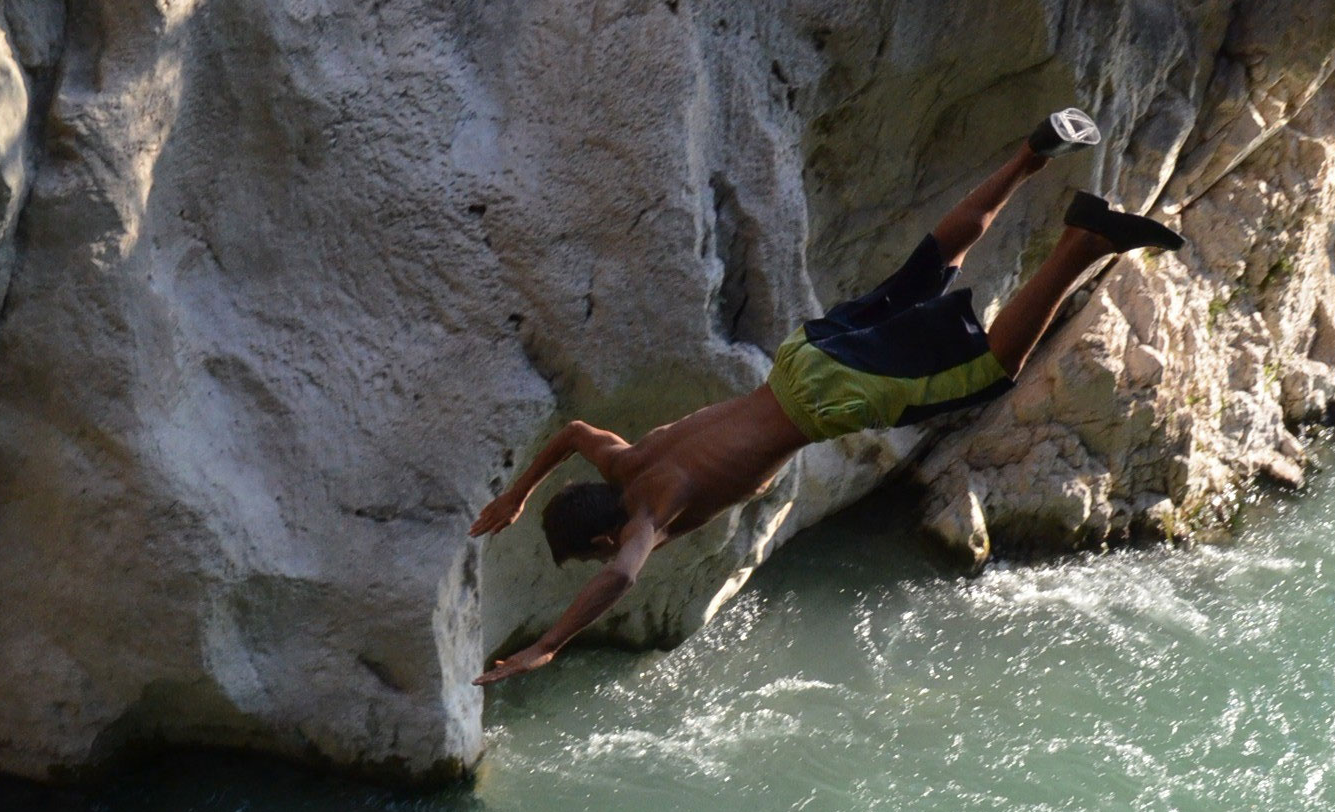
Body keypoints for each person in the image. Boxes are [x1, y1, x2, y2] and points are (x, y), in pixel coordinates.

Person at [470, 110, 1183, 685]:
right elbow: (570, 432)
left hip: (828, 404)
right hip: (800, 359)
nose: (612, 556)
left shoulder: (649, 511)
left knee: (991, 369)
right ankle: (1033, 152)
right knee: (928, 270)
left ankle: (1084, 242)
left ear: (603, 534)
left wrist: (552, 644)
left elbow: (621, 578)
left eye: (599, 551)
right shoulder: (621, 459)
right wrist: (517, 495)